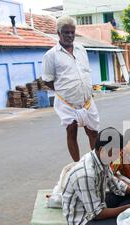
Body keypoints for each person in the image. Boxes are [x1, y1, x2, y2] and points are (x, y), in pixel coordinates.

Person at [62, 127, 130, 225]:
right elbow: (97, 214)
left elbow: (118, 186)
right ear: (103, 150)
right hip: (83, 220)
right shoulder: (86, 174)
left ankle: (121, 216)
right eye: (115, 153)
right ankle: (120, 218)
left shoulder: (102, 159)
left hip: (98, 204)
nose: (116, 157)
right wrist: (129, 207)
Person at [42, 16, 99, 162]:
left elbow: (85, 72)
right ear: (59, 33)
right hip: (67, 103)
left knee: (93, 133)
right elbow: (47, 80)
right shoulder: (51, 55)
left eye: (72, 32)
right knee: (71, 132)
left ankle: (96, 164)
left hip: (87, 100)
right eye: (66, 32)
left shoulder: (81, 49)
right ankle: (78, 165)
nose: (69, 35)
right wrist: (64, 90)